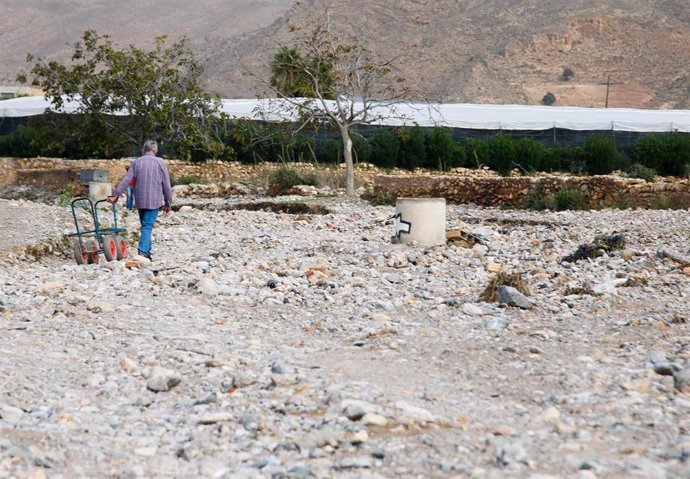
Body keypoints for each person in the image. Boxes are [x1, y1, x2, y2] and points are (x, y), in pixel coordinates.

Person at [107, 140, 172, 261]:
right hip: (154, 201)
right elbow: (166, 185)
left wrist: (115, 194)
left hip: (140, 200)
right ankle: (142, 252)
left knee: (145, 226)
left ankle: (147, 253)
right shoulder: (161, 163)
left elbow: (126, 180)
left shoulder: (136, 162)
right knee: (147, 226)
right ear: (155, 150)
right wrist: (168, 203)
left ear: (143, 150)